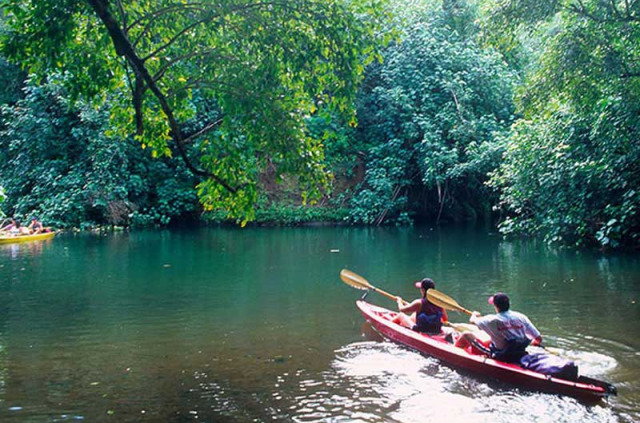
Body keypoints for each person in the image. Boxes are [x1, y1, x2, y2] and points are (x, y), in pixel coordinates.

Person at [455, 292, 542, 363]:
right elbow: (538, 338)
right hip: (520, 353)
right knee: (490, 338)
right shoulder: (521, 317)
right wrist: (534, 343)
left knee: (466, 335)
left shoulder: (491, 320)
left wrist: (474, 314)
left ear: (496, 306)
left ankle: (453, 352)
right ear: (508, 304)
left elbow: (472, 321)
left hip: (500, 355)